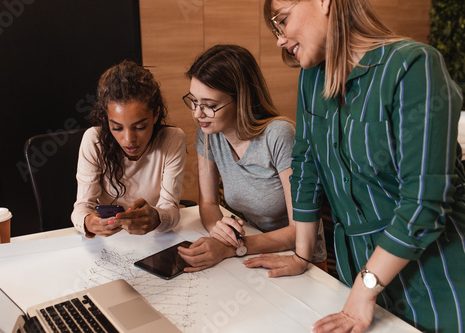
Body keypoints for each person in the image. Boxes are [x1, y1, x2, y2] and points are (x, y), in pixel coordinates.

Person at [243, 0, 465, 332]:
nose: (279, 39)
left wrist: (367, 287)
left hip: (435, 274)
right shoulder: (312, 78)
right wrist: (303, 254)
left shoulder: (413, 65)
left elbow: (424, 202)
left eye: (282, 21)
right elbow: (305, 163)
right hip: (355, 270)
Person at [177, 44, 327, 272]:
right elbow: (208, 203)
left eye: (210, 105)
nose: (198, 114)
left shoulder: (279, 135)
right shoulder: (208, 132)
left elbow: (300, 229)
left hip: (300, 257)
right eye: (194, 101)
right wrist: (221, 231)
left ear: (241, 100)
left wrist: (232, 247)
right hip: (252, 246)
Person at [71, 60, 186, 238]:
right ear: (106, 119)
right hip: (109, 241)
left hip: (153, 238)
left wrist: (156, 217)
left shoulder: (172, 140)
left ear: (155, 114)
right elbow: (82, 207)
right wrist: (89, 222)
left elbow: (171, 209)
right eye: (116, 128)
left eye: (140, 127)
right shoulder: (93, 140)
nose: (129, 139)